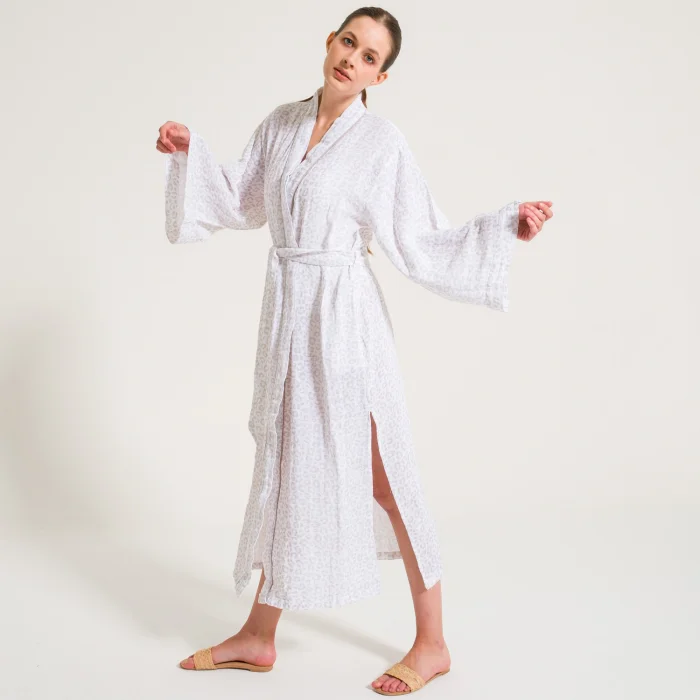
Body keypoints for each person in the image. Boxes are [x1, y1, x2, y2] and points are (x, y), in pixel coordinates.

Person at [156, 6, 553, 696]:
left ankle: (433, 643)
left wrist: (503, 227)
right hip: (288, 316)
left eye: (370, 56)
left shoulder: (380, 143)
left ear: (381, 76)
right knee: (290, 463)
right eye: (349, 42)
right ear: (330, 41)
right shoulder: (283, 122)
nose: (352, 59)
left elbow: (421, 238)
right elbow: (242, 198)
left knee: (385, 473)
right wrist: (192, 152)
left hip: (344, 324)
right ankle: (259, 635)